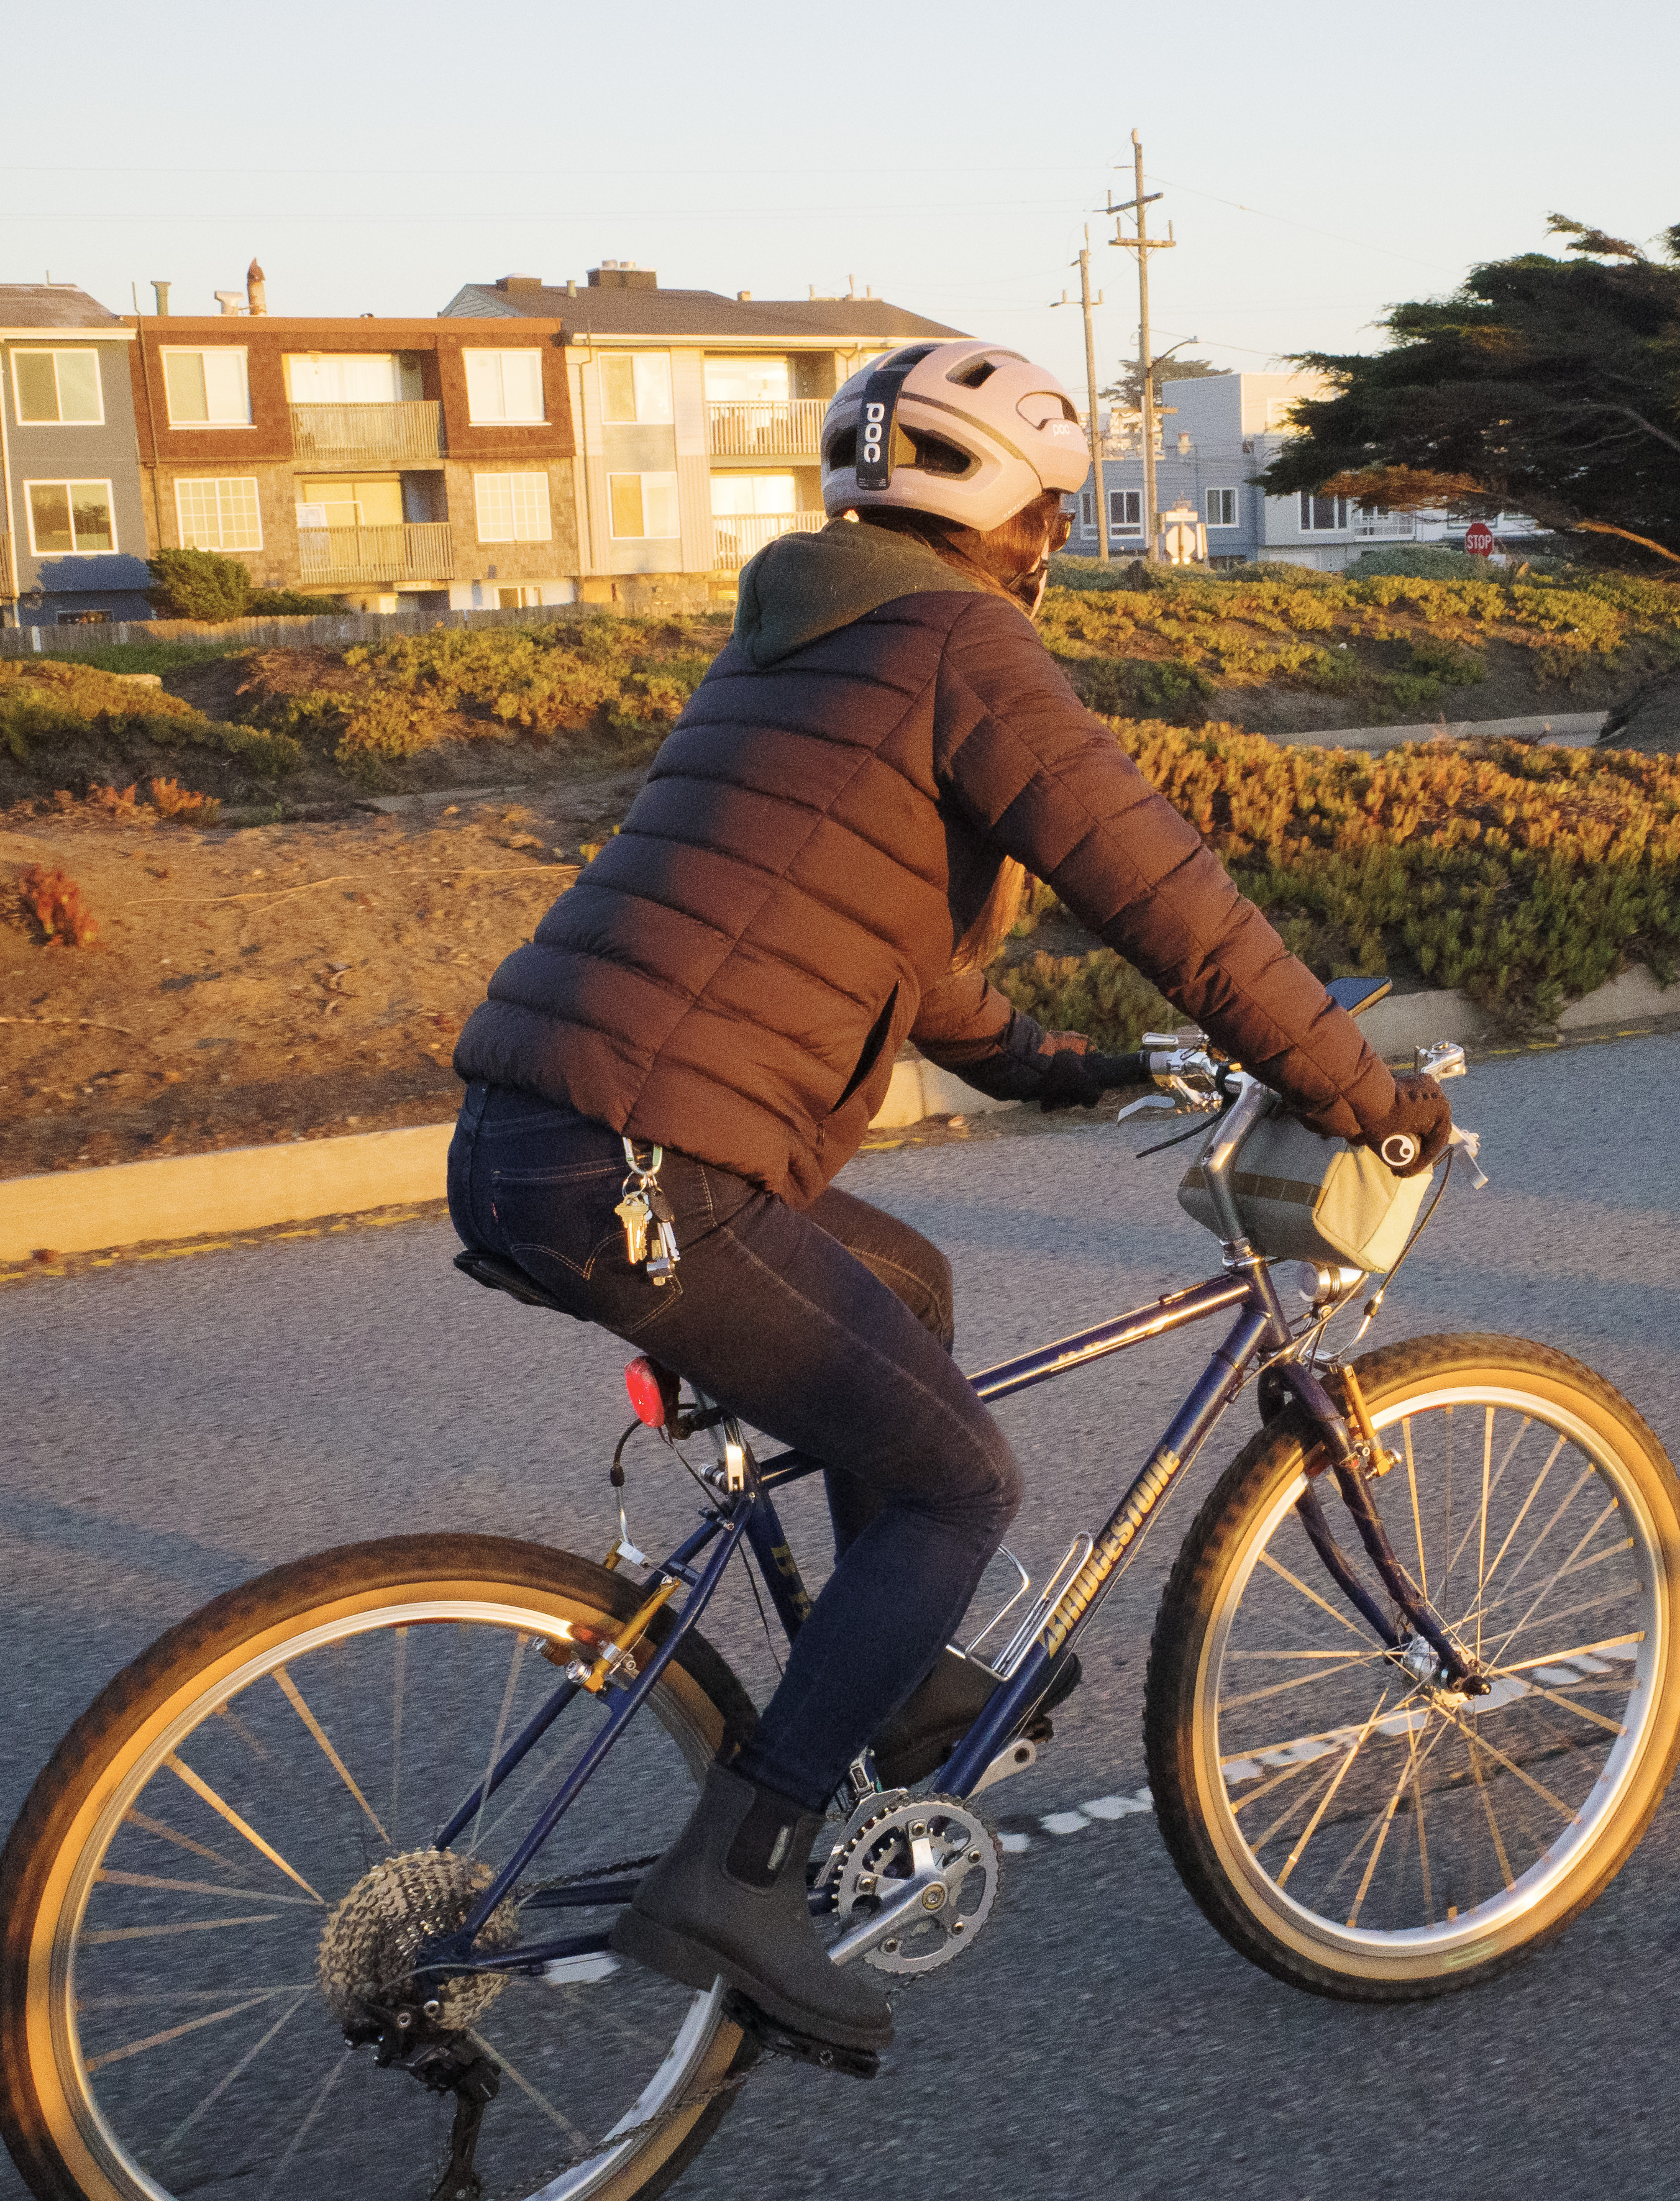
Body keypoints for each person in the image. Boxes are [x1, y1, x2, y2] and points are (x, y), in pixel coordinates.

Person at [445, 337, 1449, 2064]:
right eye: (1055, 514)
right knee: (958, 1479)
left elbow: (863, 936)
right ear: (1018, 515)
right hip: (647, 1162)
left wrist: (1062, 1066)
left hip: (539, 1135)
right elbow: (1166, 890)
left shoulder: (798, 639)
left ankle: (899, 1679)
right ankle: (740, 1876)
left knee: (899, 1289)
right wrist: (1364, 1092)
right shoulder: (956, 641)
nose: (1055, 547)